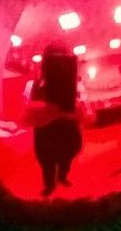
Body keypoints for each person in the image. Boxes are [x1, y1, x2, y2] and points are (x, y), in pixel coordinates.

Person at [29, 46, 83, 197]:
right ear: (46, 62)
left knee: (66, 156)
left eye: (62, 58)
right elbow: (30, 108)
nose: (58, 63)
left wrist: (74, 109)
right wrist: (45, 108)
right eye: (53, 59)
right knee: (48, 160)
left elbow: (80, 106)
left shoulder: (72, 82)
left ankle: (62, 177)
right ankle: (49, 185)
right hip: (46, 128)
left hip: (66, 125)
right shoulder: (37, 84)